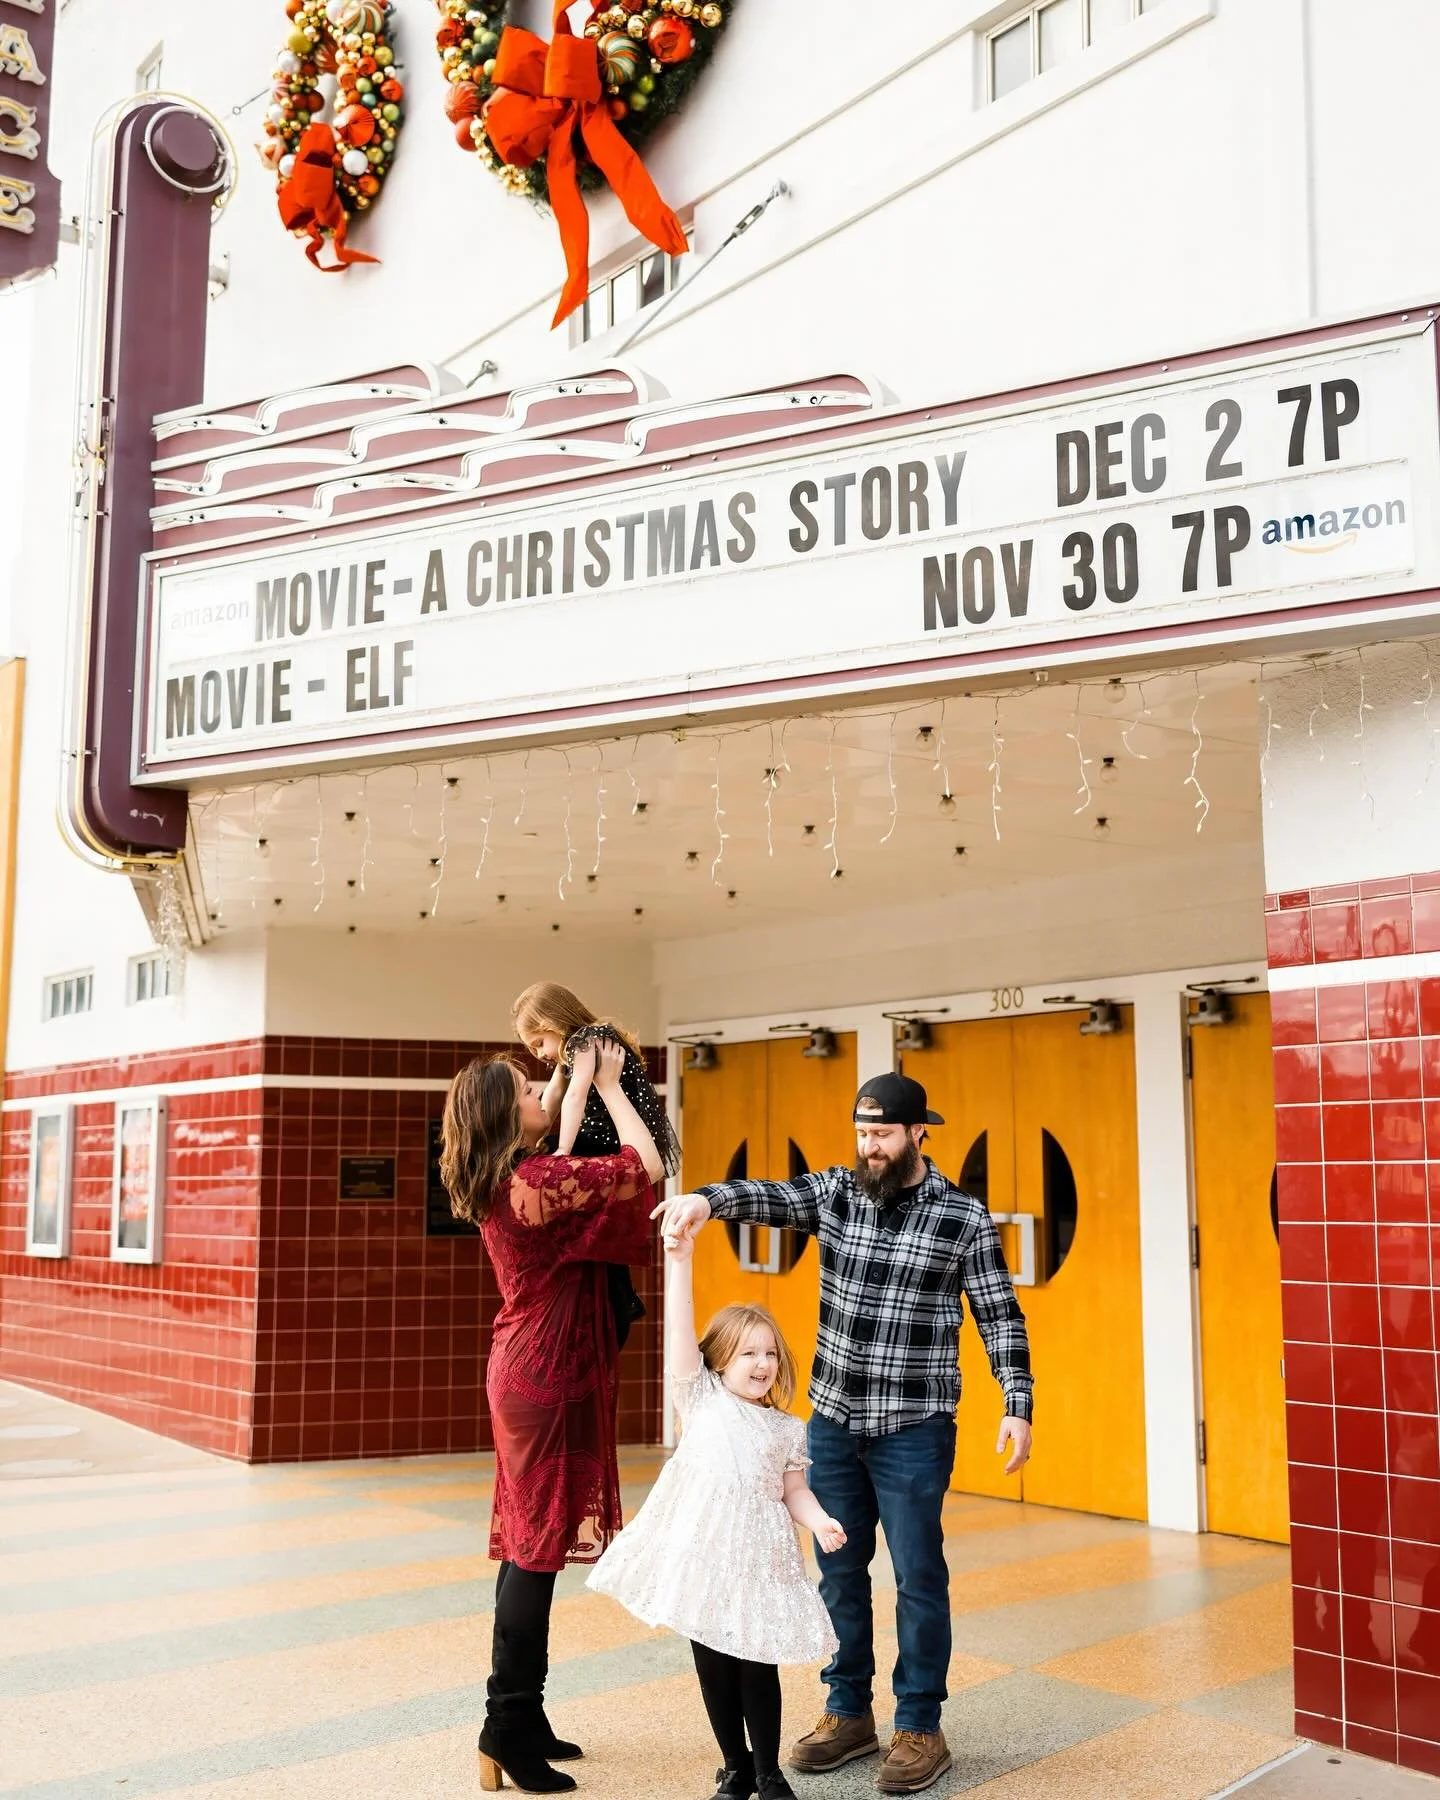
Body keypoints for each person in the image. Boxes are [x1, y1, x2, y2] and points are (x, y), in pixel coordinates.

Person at [657, 1072, 1035, 1797]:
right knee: (839, 1570)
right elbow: (772, 1195)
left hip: (915, 1428)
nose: (870, 1148)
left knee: (919, 1575)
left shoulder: (962, 1218)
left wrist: (1016, 1402)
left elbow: (999, 1314)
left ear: (919, 1132)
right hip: (832, 1423)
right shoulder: (837, 1193)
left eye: (883, 1135)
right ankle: (847, 1711)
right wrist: (709, 1198)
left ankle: (920, 1723)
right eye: (862, 1134)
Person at [442, 1038, 664, 1796]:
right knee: (534, 1553)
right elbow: (645, 1167)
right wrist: (611, 1087)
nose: (544, 1089)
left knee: (526, 1549)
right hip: (547, 1374)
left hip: (532, 1366)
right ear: (508, 1117)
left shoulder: (519, 1178)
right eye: (530, 1088)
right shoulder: (534, 1183)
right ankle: (504, 1726)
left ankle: (522, 1719)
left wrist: (574, 1090)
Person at [586, 1223, 844, 1800]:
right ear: (720, 1361)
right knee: (714, 1662)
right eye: (748, 1352)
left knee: (759, 1665)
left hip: (760, 1561)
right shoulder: (699, 1400)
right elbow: (680, 1325)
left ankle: (769, 1769)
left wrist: (820, 1519)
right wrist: (679, 1260)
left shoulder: (785, 1428)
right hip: (706, 1558)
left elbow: (793, 1491)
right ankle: (735, 1765)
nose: (762, 1364)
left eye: (771, 1354)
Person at [512, 980, 681, 1349]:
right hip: (598, 1141)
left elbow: (574, 1096)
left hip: (607, 1141)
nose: (538, 1053)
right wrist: (545, 1142)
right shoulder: (570, 1053)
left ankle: (615, 1298)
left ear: (554, 1022)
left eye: (539, 1042)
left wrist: (564, 1152)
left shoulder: (587, 1040)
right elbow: (556, 1093)